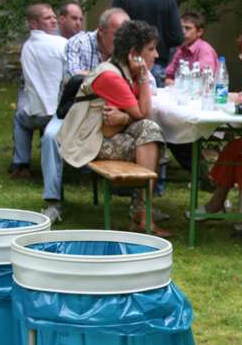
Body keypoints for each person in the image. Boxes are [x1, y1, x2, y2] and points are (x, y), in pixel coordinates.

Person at [57, 20, 170, 237]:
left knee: (150, 132)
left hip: (108, 134)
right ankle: (143, 213)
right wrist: (143, 76)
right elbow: (144, 113)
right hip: (88, 141)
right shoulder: (111, 76)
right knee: (151, 139)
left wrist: (124, 117)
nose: (156, 55)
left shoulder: (124, 70)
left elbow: (140, 116)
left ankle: (142, 212)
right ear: (133, 53)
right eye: (151, 49)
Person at [40, 8, 130, 223]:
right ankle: (53, 202)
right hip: (74, 111)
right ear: (101, 30)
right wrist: (115, 79)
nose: (123, 40)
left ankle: (141, 206)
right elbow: (74, 76)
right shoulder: (79, 43)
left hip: (110, 113)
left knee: (146, 132)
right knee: (50, 137)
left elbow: (147, 80)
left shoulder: (128, 46)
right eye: (118, 34)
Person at [192, 28, 242, 218]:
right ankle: (223, 203)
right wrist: (212, 95)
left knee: (240, 150)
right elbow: (241, 96)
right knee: (234, 148)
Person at [9, 3, 67, 179]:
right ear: (33, 23)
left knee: (20, 117)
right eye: (47, 18)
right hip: (63, 114)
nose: (54, 21)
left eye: (54, 17)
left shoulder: (27, 47)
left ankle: (21, 164)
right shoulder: (63, 43)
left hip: (39, 115)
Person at [111, 0, 183, 87]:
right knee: (154, 99)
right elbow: (177, 38)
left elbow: (114, 31)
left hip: (127, 65)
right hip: (156, 64)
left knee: (126, 98)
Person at [163, 11, 220, 85]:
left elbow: (203, 80)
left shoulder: (205, 50)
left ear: (199, 32)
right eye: (180, 28)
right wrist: (170, 81)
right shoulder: (181, 50)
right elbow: (168, 75)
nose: (182, 32)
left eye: (187, 28)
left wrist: (176, 84)